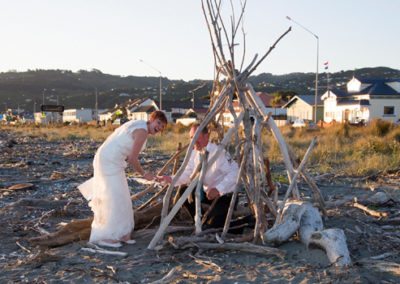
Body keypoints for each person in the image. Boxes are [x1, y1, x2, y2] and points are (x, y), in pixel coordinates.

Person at [79, 110, 167, 248]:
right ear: (152, 119)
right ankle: (106, 237)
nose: (159, 128)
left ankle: (122, 234)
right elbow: (132, 159)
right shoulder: (142, 131)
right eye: (159, 123)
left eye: (162, 127)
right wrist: (144, 174)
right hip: (108, 161)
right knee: (114, 198)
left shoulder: (139, 124)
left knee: (122, 197)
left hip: (112, 160)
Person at [159, 123, 245, 232]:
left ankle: (245, 223)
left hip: (225, 196)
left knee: (213, 228)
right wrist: (171, 179)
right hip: (207, 194)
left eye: (197, 137)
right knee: (183, 191)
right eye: (191, 138)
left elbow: (235, 173)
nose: (194, 141)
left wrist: (219, 189)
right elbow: (188, 174)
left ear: (206, 136)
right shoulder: (194, 153)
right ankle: (202, 219)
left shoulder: (219, 152)